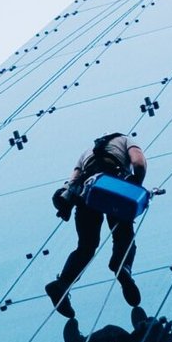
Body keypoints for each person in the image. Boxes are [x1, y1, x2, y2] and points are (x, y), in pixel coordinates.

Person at [46, 132, 148, 310]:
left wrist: (67, 204)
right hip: (113, 187)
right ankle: (122, 265)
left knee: (86, 246)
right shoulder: (126, 140)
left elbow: (73, 181)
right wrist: (136, 182)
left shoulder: (87, 152)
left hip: (87, 193)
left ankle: (62, 284)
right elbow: (138, 162)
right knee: (123, 233)